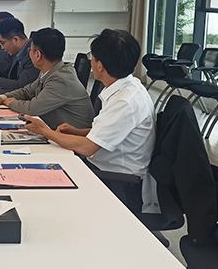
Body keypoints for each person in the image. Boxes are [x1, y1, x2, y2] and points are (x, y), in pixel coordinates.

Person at [24, 29, 159, 213]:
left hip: (117, 182)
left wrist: (45, 131)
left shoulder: (125, 101)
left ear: (100, 66)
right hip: (107, 169)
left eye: (92, 58)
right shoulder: (129, 87)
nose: (91, 62)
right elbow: (108, 134)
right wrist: (76, 132)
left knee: (42, 181)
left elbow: (88, 148)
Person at [0, 28, 94, 130]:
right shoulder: (50, 71)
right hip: (57, 131)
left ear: (38, 55)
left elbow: (32, 108)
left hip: (73, 138)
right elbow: (27, 91)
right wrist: (3, 97)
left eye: (30, 50)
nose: (29, 53)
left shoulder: (61, 79)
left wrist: (9, 102)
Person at [0, 18, 39, 93]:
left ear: (15, 39)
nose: (2, 48)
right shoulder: (18, 52)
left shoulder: (32, 55)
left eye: (2, 43)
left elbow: (21, 86)